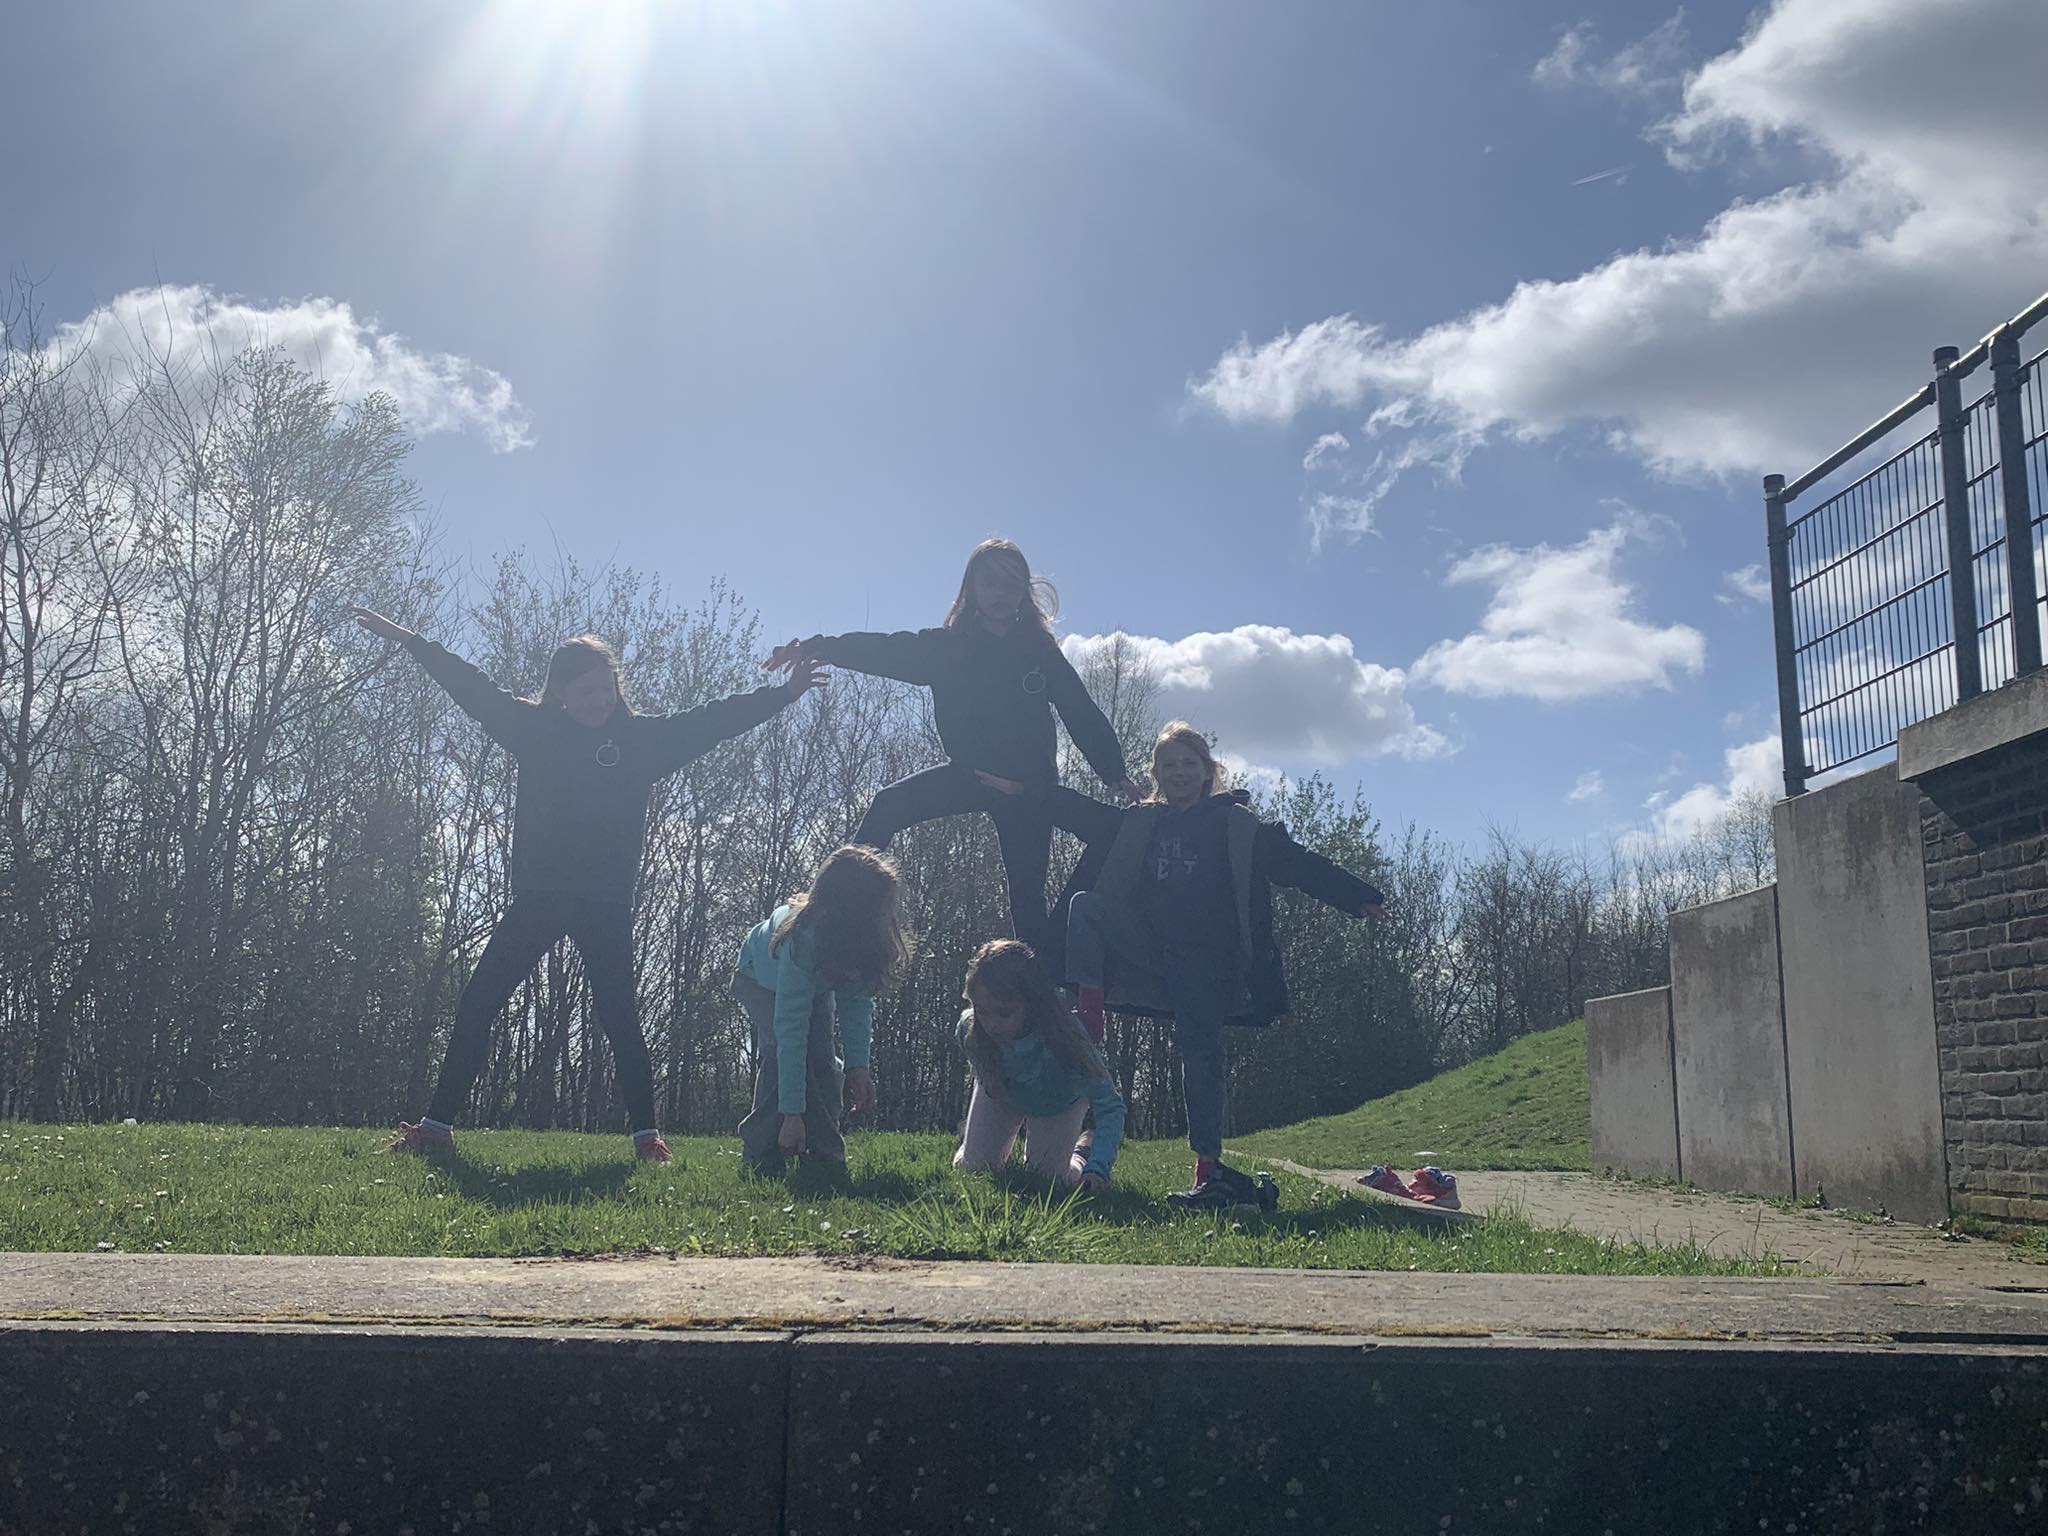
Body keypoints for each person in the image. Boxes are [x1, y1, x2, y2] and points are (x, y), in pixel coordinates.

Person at [352, 606, 825, 1162]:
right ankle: (435, 1129)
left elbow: (711, 720)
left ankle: (647, 1139)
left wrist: (784, 695)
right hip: (540, 897)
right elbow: (470, 686)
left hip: (605, 903)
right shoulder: (532, 730)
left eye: (606, 688)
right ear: (558, 693)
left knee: (619, 1016)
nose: (599, 701)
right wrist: (411, 639)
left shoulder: (641, 741)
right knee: (480, 1000)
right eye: (585, 693)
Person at [1063, 722, 1387, 1211]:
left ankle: (1209, 1173)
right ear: (1156, 773)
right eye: (1168, 765)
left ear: (1207, 770)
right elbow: (1072, 813)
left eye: (1188, 764)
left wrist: (1356, 896)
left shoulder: (1235, 824)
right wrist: (1019, 788)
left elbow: (1296, 863)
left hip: (1205, 959)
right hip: (1152, 948)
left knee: (1201, 1055)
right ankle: (1089, 1011)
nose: (1179, 773)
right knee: (1086, 907)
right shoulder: (1142, 822)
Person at [763, 539, 1138, 955]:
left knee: (1028, 902)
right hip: (968, 775)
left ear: (1024, 594)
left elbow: (1079, 710)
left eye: (1011, 585)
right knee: (888, 803)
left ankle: (1045, 963)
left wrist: (1114, 772)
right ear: (971, 588)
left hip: (1026, 790)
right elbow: (885, 649)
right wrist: (817, 648)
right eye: (990, 583)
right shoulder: (945, 648)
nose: (999, 594)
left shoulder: (1040, 653)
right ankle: (828, 915)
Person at [733, 845, 909, 1175]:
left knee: (824, 1061)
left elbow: (857, 1003)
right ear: (850, 911)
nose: (885, 919)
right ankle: (760, 1154)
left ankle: (824, 1155)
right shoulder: (801, 941)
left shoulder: (858, 941)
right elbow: (791, 1035)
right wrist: (792, 1116)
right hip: (761, 980)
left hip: (813, 984)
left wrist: (858, 1067)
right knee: (781, 1058)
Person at [954, 939, 1126, 1191]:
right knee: (974, 1168)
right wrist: (989, 1078)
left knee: (1049, 1180)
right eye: (982, 1010)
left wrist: (1098, 1168)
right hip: (1003, 1095)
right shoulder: (970, 1029)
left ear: (1032, 1004)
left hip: (1058, 1104)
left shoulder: (1068, 1039)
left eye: (1004, 1012)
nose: (991, 1024)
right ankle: (972, 1142)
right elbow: (978, 1059)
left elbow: (1110, 1106)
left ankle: (1082, 1152)